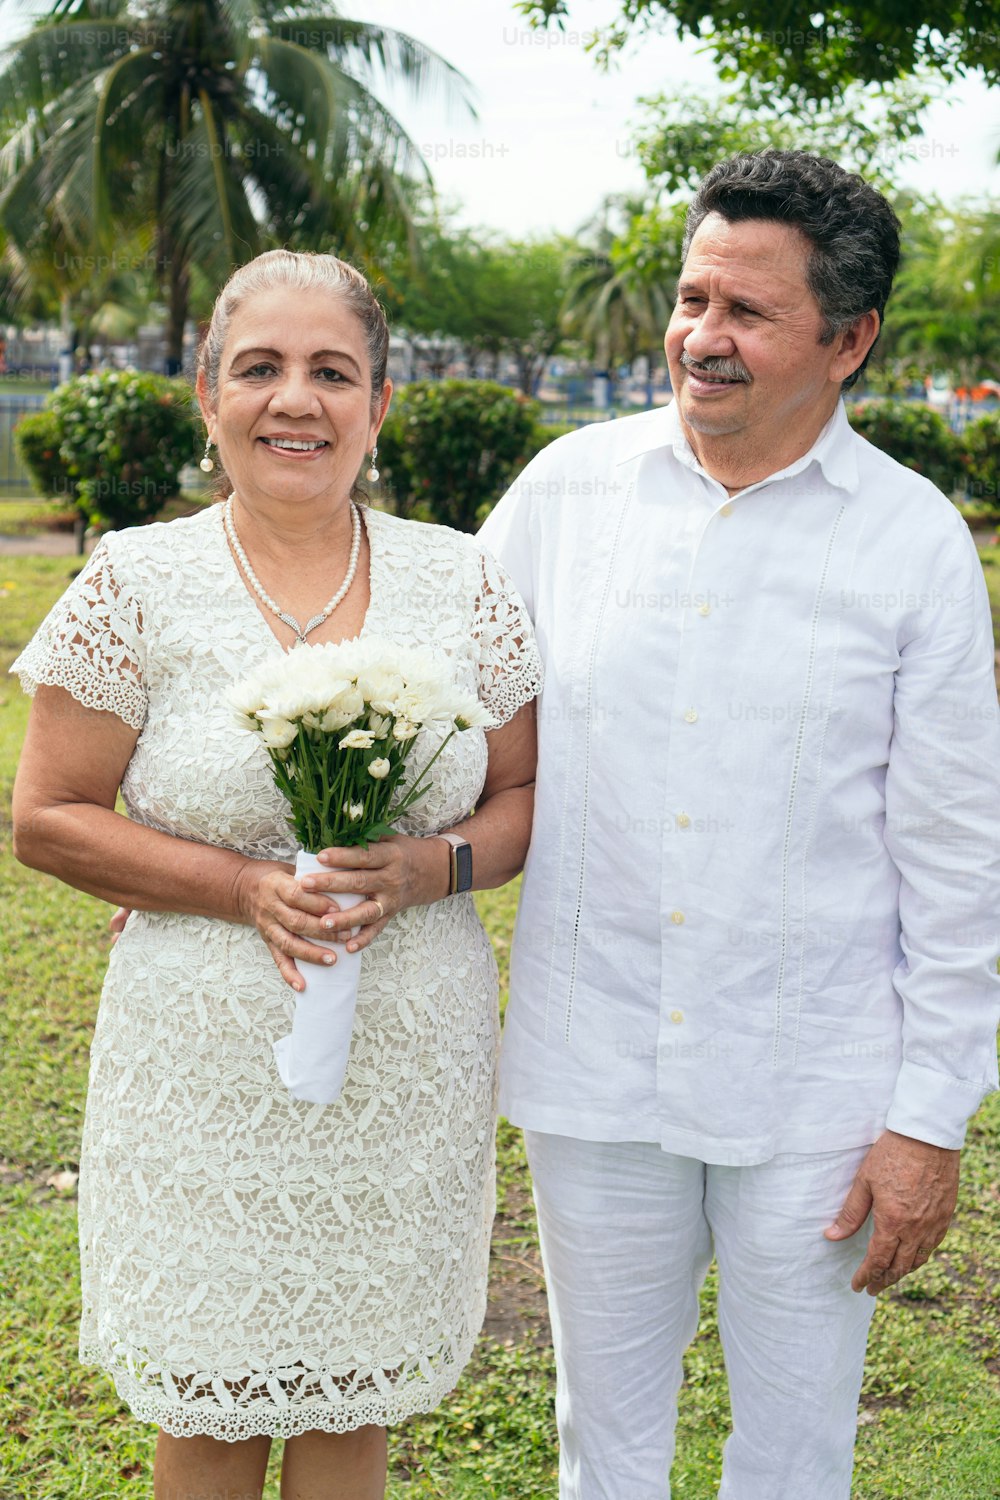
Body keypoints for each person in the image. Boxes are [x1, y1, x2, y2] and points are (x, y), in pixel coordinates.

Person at [478, 150, 1000, 1499]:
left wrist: (929, 1121)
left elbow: (955, 859)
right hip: (596, 1061)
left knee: (794, 1450)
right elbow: (438, 712)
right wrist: (245, 836)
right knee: (606, 1442)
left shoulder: (913, 543)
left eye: (748, 312)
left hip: (818, 1087)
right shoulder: (565, 494)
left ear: (852, 340)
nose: (701, 338)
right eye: (693, 296)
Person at [10, 248, 541, 1500]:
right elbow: (47, 818)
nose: (294, 399)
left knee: (354, 1397)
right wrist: (243, 887)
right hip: (202, 1059)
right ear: (209, 395)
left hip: (408, 1052)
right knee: (211, 1399)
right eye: (260, 368)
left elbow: (522, 803)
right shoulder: (135, 580)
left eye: (331, 371)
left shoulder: (461, 579)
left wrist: (428, 864)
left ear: (378, 405)